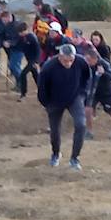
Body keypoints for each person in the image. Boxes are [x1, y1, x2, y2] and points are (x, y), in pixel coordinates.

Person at [38, 43, 92, 171]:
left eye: (71, 60)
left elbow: (87, 78)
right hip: (54, 101)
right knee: (55, 130)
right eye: (65, 61)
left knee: (81, 124)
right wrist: (46, 104)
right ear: (59, 57)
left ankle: (75, 158)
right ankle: (56, 154)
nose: (68, 63)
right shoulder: (48, 67)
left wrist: (83, 94)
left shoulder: (81, 62)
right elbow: (42, 89)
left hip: (74, 98)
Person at [82, 44, 111, 140]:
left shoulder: (105, 64)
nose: (87, 62)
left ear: (94, 59)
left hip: (106, 92)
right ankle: (89, 132)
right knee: (88, 110)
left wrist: (104, 73)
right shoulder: (86, 66)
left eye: (88, 60)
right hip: (93, 91)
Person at [13, 21, 42, 101]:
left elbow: (38, 50)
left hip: (33, 60)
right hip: (29, 59)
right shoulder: (22, 38)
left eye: (21, 32)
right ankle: (43, 91)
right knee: (36, 76)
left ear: (25, 30)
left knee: (23, 74)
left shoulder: (32, 37)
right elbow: (18, 46)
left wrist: (36, 62)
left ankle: (23, 94)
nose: (20, 34)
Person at [0, 7, 20, 85]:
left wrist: (10, 43)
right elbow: (1, 36)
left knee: (14, 66)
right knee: (13, 66)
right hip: (11, 47)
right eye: (2, 20)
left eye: (4, 20)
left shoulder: (16, 25)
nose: (3, 22)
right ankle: (19, 84)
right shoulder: (7, 25)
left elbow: (18, 38)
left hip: (18, 49)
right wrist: (1, 42)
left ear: (8, 17)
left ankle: (20, 84)